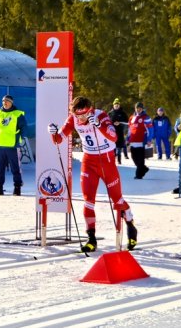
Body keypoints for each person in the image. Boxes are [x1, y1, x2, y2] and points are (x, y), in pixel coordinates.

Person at [48, 96, 138, 252]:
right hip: (89, 161)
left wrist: (99, 125)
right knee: (88, 201)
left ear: (90, 110)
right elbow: (58, 140)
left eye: (84, 114)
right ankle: (91, 238)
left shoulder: (100, 115)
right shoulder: (73, 119)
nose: (81, 118)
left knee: (117, 200)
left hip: (107, 161)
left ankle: (130, 224)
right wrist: (53, 132)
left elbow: (113, 136)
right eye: (78, 115)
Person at [0, 95, 27, 195]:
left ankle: (17, 187)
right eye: (3, 101)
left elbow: (23, 127)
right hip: (0, 143)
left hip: (12, 144)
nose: (5, 103)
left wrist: (22, 138)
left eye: (7, 101)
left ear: (11, 102)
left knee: (15, 167)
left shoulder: (17, 114)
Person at [128, 102, 153, 179]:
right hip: (133, 141)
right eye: (137, 108)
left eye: (140, 108)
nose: (138, 110)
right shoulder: (131, 117)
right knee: (134, 158)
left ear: (142, 109)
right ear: (135, 108)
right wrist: (127, 139)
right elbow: (130, 129)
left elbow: (150, 129)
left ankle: (139, 175)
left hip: (141, 141)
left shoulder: (146, 117)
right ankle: (144, 168)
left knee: (140, 159)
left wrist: (149, 140)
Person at [108, 99, 130, 164]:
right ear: (113, 105)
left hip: (120, 132)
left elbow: (127, 122)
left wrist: (119, 123)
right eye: (115, 105)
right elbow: (107, 122)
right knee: (112, 147)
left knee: (119, 147)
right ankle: (113, 159)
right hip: (112, 133)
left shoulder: (123, 113)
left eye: (118, 105)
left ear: (119, 105)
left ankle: (119, 160)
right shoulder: (110, 113)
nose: (116, 106)